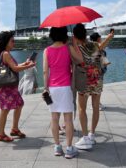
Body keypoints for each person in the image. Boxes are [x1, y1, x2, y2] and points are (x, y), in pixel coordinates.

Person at [73, 23, 114, 150]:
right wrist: (110, 36)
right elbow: (103, 46)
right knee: (95, 107)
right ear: (85, 34)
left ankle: (85, 138)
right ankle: (91, 134)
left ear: (75, 35)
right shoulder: (95, 45)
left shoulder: (76, 48)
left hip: (84, 80)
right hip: (97, 79)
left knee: (82, 108)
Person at [43, 27, 82, 159]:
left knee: (54, 118)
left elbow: (45, 72)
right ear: (65, 34)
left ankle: (58, 147)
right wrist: (75, 44)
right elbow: (80, 60)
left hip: (53, 88)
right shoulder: (68, 48)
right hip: (66, 87)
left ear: (52, 35)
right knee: (68, 119)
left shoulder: (47, 50)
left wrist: (45, 88)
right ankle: (70, 149)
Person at [0, 31, 35, 142]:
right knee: (5, 109)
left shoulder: (6, 53)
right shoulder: (6, 54)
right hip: (6, 88)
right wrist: (30, 66)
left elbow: (15, 66)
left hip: (10, 87)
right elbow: (15, 69)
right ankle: (1, 134)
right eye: (12, 41)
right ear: (6, 42)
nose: (14, 42)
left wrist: (26, 63)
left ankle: (14, 129)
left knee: (19, 104)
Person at [90, 32, 111, 110]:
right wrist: (109, 37)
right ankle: (97, 104)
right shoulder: (96, 46)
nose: (101, 38)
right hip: (98, 71)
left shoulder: (91, 46)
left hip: (95, 70)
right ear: (98, 38)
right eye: (100, 37)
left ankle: (97, 103)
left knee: (95, 88)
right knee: (98, 88)